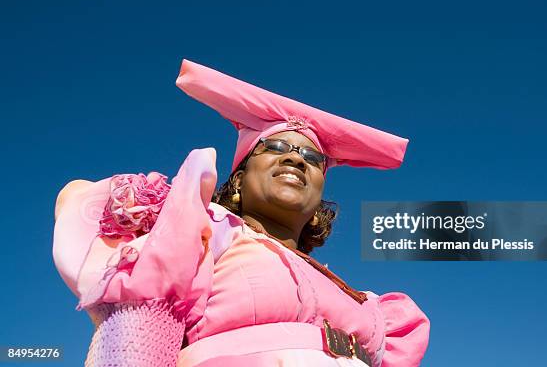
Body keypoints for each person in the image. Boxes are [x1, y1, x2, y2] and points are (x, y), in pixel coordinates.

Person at [53, 60, 430, 367]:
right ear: (238, 179)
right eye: (276, 146)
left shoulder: (366, 304)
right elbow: (138, 326)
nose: (294, 157)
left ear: (320, 200)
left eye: (312, 157)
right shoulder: (207, 232)